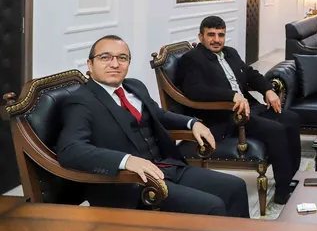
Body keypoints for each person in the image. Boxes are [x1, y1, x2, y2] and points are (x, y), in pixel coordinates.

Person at [56, 35, 249, 218]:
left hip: (167, 167)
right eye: (105, 57)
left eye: (122, 58)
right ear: (90, 64)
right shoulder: (81, 101)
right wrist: (126, 161)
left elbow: (159, 115)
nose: (115, 64)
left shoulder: (134, 87)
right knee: (213, 206)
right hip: (131, 183)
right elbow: (70, 150)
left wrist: (192, 123)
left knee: (236, 187)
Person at [176, 16, 301, 205]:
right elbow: (195, 90)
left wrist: (267, 90)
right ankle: (282, 193)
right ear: (201, 37)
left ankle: (290, 177)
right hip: (225, 116)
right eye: (211, 35)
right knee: (276, 130)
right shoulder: (192, 59)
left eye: (221, 35)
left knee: (291, 119)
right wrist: (231, 96)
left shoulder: (230, 53)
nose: (216, 40)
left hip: (249, 108)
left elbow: (250, 74)